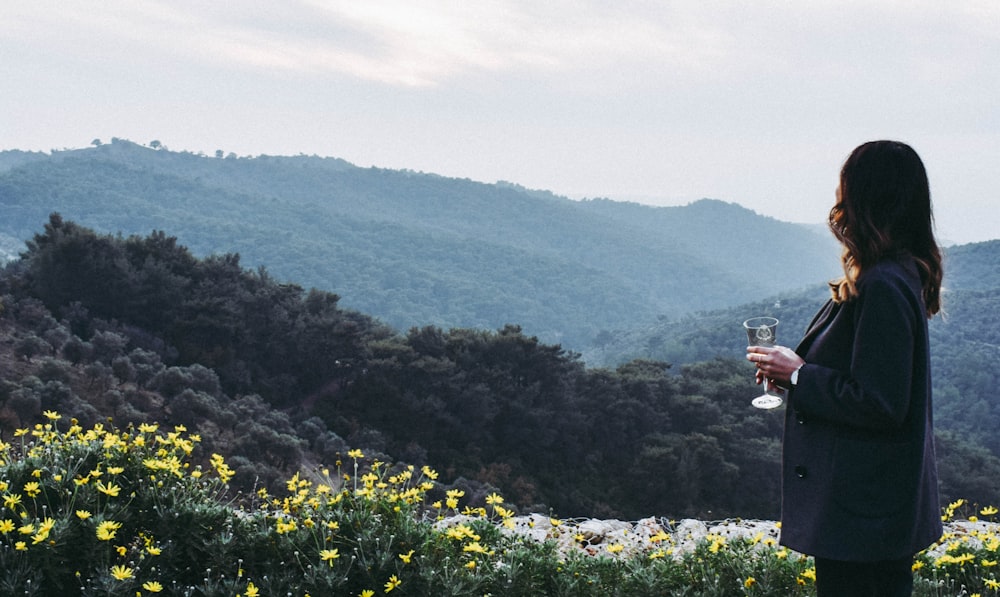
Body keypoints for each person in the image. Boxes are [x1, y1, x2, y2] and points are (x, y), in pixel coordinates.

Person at [746, 140, 943, 596]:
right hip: (873, 511)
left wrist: (798, 374)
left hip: (863, 516)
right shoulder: (893, 273)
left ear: (864, 198)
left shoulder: (882, 285)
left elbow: (880, 402)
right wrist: (792, 371)